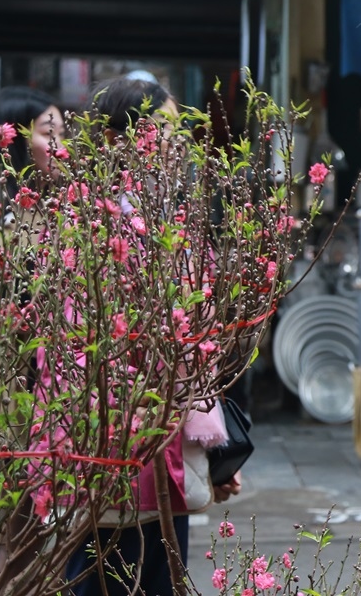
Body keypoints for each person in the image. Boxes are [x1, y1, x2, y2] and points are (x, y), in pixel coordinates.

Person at [63, 77, 241, 596]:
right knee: (110, 577)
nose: (176, 142)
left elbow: (192, 344)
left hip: (163, 443)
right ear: (121, 140)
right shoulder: (91, 224)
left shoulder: (160, 217)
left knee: (161, 574)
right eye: (164, 128)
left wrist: (210, 450)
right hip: (114, 442)